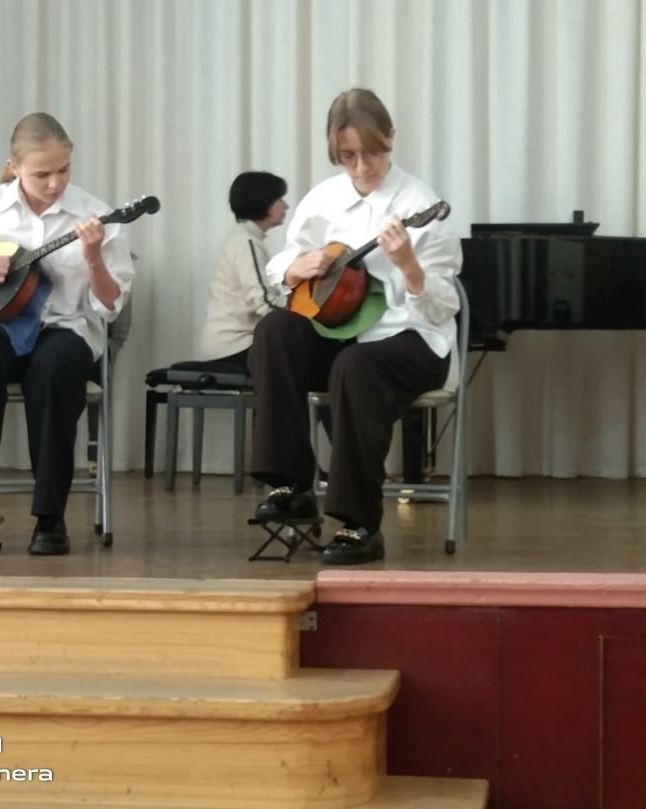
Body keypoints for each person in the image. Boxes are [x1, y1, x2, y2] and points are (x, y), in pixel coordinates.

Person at [248, 89, 461, 564]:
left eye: (372, 153)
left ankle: (359, 524)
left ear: (391, 138)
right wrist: (294, 267)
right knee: (275, 331)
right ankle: (292, 486)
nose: (362, 167)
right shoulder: (323, 199)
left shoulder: (420, 204)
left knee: (355, 365)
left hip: (412, 340)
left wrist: (408, 265)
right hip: (341, 332)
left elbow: (443, 307)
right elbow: (282, 265)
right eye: (348, 156)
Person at [0, 112, 135, 556]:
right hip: (0, 331)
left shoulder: (95, 215)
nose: (55, 183)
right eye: (42, 174)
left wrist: (93, 257)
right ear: (14, 167)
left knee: (55, 366)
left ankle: (50, 518)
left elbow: (110, 305)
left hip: (63, 330)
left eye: (64, 170)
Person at [197, 171, 289, 369]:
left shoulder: (244, 238)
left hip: (228, 344)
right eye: (280, 199)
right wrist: (308, 311)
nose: (286, 205)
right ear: (263, 201)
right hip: (234, 345)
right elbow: (264, 303)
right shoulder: (247, 242)